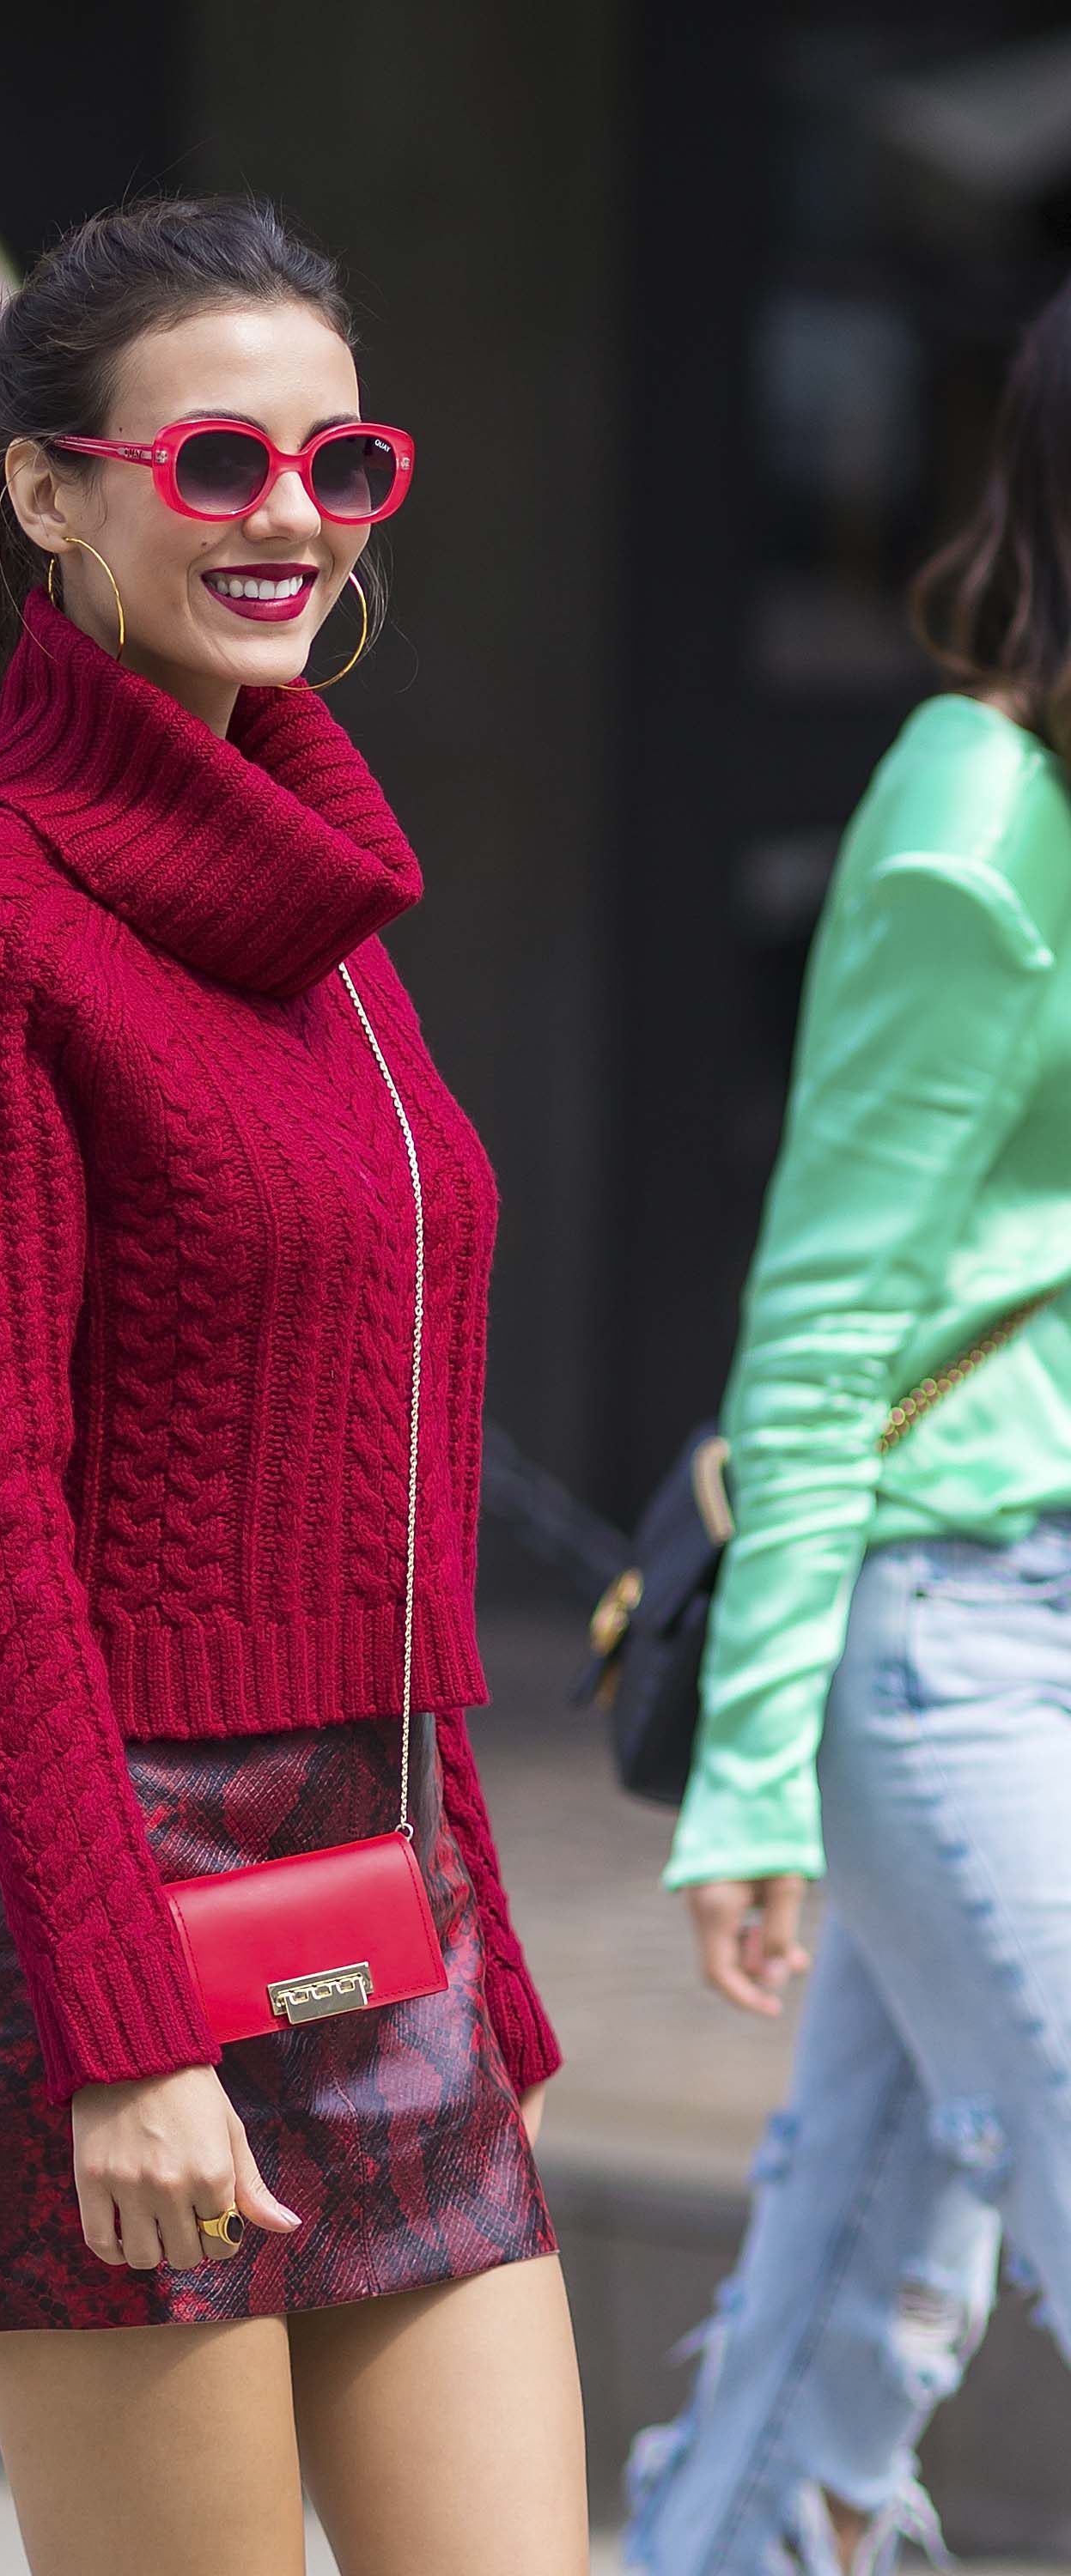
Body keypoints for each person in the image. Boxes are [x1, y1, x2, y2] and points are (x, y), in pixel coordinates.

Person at [0, 197, 586, 2576]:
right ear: (55, 490)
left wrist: (476, 1915)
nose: (283, 519)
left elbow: (363, 1473)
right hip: (109, 1917)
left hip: (388, 1901)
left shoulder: (322, 914)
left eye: (338, 468)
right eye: (217, 459)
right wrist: (128, 2032)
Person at [624, 275, 1071, 2576]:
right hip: (954, 1627)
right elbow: (823, 1318)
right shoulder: (976, 817)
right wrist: (756, 1766)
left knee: (856, 2310)